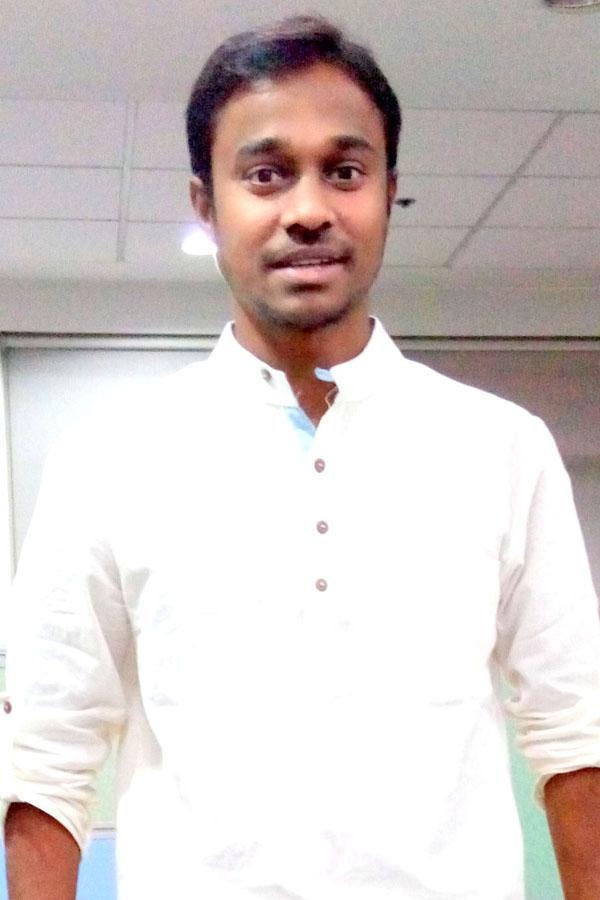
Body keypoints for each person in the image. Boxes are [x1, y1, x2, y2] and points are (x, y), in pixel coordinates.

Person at [2, 14, 600, 900]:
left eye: (345, 171)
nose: (310, 209)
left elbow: (574, 730)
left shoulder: (501, 448)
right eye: (266, 174)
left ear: (388, 192)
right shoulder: (110, 461)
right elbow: (48, 753)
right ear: (206, 203)